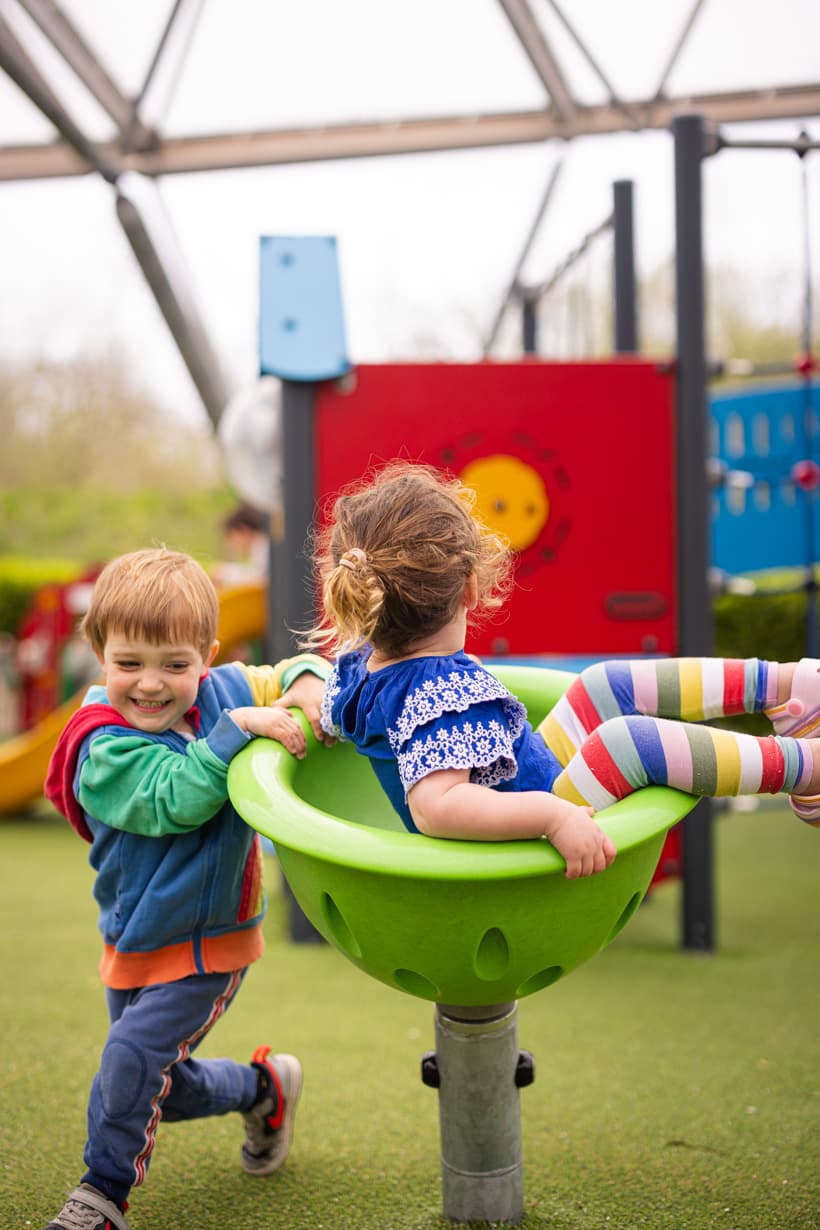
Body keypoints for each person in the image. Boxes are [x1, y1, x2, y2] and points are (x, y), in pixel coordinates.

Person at [306, 461, 820, 880]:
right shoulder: (435, 692)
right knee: (630, 744)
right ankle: (801, 767)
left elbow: (328, 709)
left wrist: (296, 701)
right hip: (510, 850)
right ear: (469, 587)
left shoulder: (358, 664)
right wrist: (553, 817)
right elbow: (436, 809)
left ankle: (786, 688)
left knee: (602, 684)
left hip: (528, 781)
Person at [42, 547, 330, 1230]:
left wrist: (309, 684)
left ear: (207, 655)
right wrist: (239, 732)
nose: (151, 685)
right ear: (98, 655)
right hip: (136, 936)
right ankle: (265, 1088)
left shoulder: (225, 690)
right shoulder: (101, 746)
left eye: (176, 665)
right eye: (129, 664)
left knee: (132, 1056)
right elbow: (174, 797)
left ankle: (102, 1196)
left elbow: (297, 666)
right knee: (158, 1085)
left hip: (211, 941)